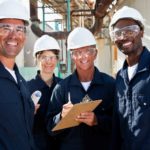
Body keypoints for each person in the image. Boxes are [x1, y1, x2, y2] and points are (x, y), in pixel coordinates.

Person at [46, 27, 115, 150]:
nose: (83, 56)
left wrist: (97, 120)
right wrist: (61, 116)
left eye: (88, 51)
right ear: (72, 56)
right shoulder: (62, 88)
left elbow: (120, 123)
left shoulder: (110, 85)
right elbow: (49, 128)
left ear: (95, 54)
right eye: (77, 52)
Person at [109, 6, 150, 150]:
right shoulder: (120, 77)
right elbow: (117, 126)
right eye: (118, 33)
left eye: (130, 30)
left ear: (141, 32)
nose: (123, 37)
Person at [0, 0, 36, 150]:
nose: (13, 36)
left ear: (25, 37)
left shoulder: (20, 81)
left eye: (19, 29)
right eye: (5, 28)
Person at [27, 35, 62, 150]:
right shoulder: (27, 87)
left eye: (52, 57)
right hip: (36, 146)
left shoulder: (63, 86)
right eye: (44, 57)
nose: (49, 62)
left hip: (61, 144)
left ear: (57, 59)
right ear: (37, 59)